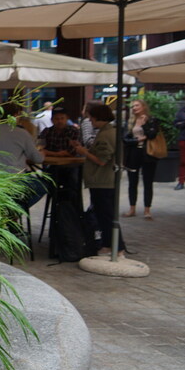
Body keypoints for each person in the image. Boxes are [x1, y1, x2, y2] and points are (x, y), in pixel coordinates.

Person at [71, 104, 125, 257]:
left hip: (103, 180)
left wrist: (83, 152)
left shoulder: (106, 135)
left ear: (96, 117)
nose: (90, 121)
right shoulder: (109, 132)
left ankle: (116, 247)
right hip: (105, 180)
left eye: (91, 118)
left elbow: (101, 160)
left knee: (105, 214)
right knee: (103, 214)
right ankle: (109, 245)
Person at [0, 103, 47, 209]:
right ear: (16, 115)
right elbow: (37, 158)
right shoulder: (21, 133)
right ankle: (16, 210)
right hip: (14, 179)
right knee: (42, 186)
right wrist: (43, 153)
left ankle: (7, 210)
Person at [123, 98, 161, 219]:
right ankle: (132, 208)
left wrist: (144, 125)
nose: (134, 108)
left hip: (147, 154)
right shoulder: (130, 121)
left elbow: (152, 135)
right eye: (133, 106)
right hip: (133, 153)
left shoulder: (152, 120)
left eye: (137, 106)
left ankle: (147, 210)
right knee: (132, 182)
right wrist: (137, 140)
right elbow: (124, 139)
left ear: (143, 107)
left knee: (147, 182)